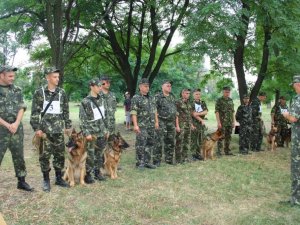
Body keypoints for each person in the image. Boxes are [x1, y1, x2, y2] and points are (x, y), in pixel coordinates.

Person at [30, 67, 71, 192]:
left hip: (58, 130)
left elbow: (65, 111)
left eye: (58, 77)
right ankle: (46, 179)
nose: (57, 79)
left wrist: (67, 126)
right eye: (54, 77)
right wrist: (37, 128)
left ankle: (58, 178)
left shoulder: (61, 93)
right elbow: (34, 112)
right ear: (47, 77)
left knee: (59, 154)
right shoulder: (39, 93)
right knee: (44, 155)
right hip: (44, 132)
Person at [0, 66, 34, 192]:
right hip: (1, 130)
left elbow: (21, 107)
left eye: (13, 76)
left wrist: (15, 123)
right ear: (2, 75)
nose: (12, 78)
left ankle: (21, 181)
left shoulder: (17, 90)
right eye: (10, 76)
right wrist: (7, 125)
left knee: (19, 155)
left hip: (16, 129)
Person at [79, 78, 107, 183]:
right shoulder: (85, 102)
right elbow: (82, 119)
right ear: (91, 87)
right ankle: (88, 174)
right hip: (91, 133)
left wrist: (106, 129)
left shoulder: (102, 100)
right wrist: (86, 133)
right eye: (98, 86)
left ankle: (97, 171)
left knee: (99, 154)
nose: (100, 88)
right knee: (90, 154)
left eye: (101, 86)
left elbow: (105, 115)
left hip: (101, 131)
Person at [131, 78, 158, 169]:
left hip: (151, 125)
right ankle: (139, 163)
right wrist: (135, 125)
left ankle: (147, 162)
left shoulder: (151, 98)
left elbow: (154, 111)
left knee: (150, 143)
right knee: (140, 144)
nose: (147, 88)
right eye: (145, 86)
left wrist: (156, 122)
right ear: (140, 86)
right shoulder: (136, 98)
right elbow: (134, 112)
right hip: (142, 125)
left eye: (148, 86)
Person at [282, 75, 300, 206]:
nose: (293, 87)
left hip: (298, 140)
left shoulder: (298, 99)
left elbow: (294, 119)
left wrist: (286, 115)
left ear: (297, 84)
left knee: (296, 169)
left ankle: (296, 199)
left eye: (293, 84)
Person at [153, 80, 177, 166]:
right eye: (167, 85)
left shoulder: (172, 97)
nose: (169, 87)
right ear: (162, 86)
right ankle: (157, 160)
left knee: (170, 141)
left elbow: (175, 110)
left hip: (171, 122)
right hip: (161, 121)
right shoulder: (157, 96)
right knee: (158, 141)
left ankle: (169, 159)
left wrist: (176, 123)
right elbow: (154, 109)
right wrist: (156, 122)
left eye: (170, 86)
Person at [175, 88, 194, 164]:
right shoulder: (178, 102)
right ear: (182, 93)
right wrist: (177, 126)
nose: (188, 95)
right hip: (181, 125)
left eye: (189, 93)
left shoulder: (189, 103)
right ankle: (178, 159)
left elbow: (190, 115)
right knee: (179, 142)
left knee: (187, 142)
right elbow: (176, 115)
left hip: (188, 125)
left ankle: (185, 158)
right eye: (186, 93)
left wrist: (191, 124)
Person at [215, 86, 235, 156]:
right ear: (223, 92)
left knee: (228, 137)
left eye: (228, 92)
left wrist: (233, 122)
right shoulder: (219, 100)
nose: (227, 93)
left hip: (229, 122)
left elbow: (232, 111)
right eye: (226, 92)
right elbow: (217, 112)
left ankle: (227, 151)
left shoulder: (230, 100)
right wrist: (218, 122)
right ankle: (219, 152)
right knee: (220, 137)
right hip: (222, 122)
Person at [191, 88, 208, 160]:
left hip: (201, 124)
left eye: (199, 94)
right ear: (193, 95)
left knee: (200, 139)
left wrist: (198, 114)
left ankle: (198, 154)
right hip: (194, 123)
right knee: (193, 140)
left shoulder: (202, 102)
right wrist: (200, 118)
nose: (198, 96)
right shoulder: (191, 103)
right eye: (196, 94)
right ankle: (192, 155)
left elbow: (206, 111)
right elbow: (192, 114)